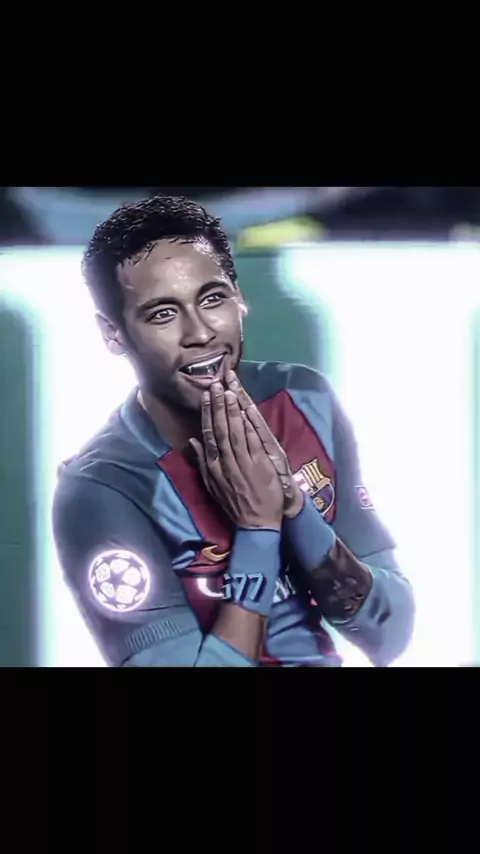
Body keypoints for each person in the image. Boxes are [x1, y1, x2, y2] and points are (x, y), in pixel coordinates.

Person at [52, 195, 415, 667]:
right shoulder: (102, 489)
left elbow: (390, 633)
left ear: (239, 298)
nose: (200, 332)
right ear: (113, 333)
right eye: (163, 314)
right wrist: (258, 531)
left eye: (212, 299)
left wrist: (294, 508)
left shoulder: (304, 399)